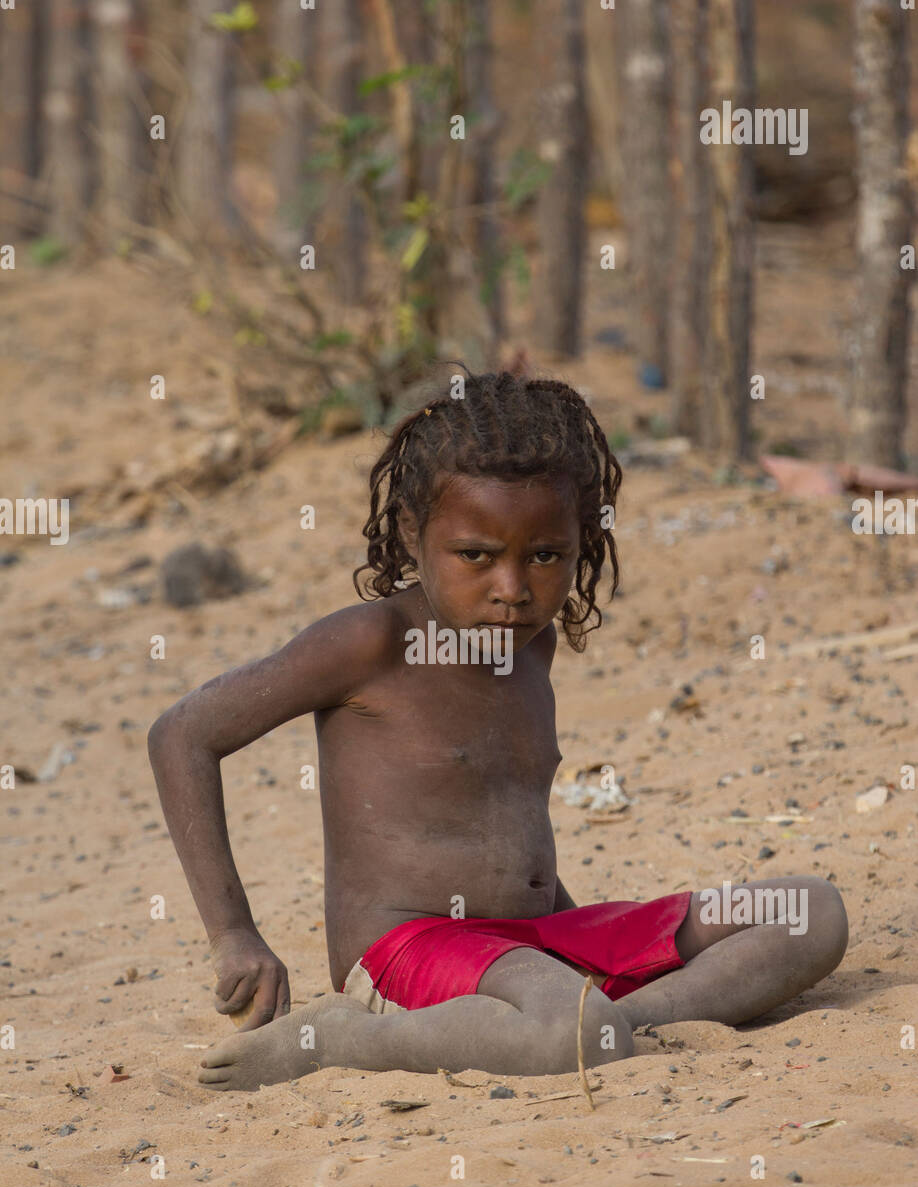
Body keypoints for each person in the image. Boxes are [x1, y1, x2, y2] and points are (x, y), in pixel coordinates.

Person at [147, 371, 848, 1091]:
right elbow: (181, 736)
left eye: (546, 556)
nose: (513, 587)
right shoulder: (369, 643)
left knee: (808, 910)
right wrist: (233, 935)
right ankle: (347, 1041)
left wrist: (587, 942)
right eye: (476, 556)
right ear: (415, 534)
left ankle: (619, 1021)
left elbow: (499, 820)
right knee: (572, 1029)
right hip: (413, 950)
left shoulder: (530, 648)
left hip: (541, 941)